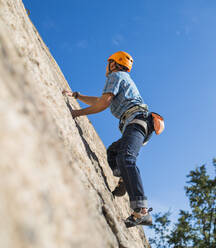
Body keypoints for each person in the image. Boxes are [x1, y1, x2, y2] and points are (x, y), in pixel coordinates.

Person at [63, 51, 163, 228]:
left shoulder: (116, 75)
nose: (106, 67)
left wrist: (76, 113)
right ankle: (124, 178)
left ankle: (141, 211)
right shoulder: (120, 79)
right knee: (113, 153)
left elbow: (103, 104)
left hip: (137, 121)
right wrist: (77, 96)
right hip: (138, 124)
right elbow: (100, 100)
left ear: (113, 63)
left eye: (108, 63)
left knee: (126, 158)